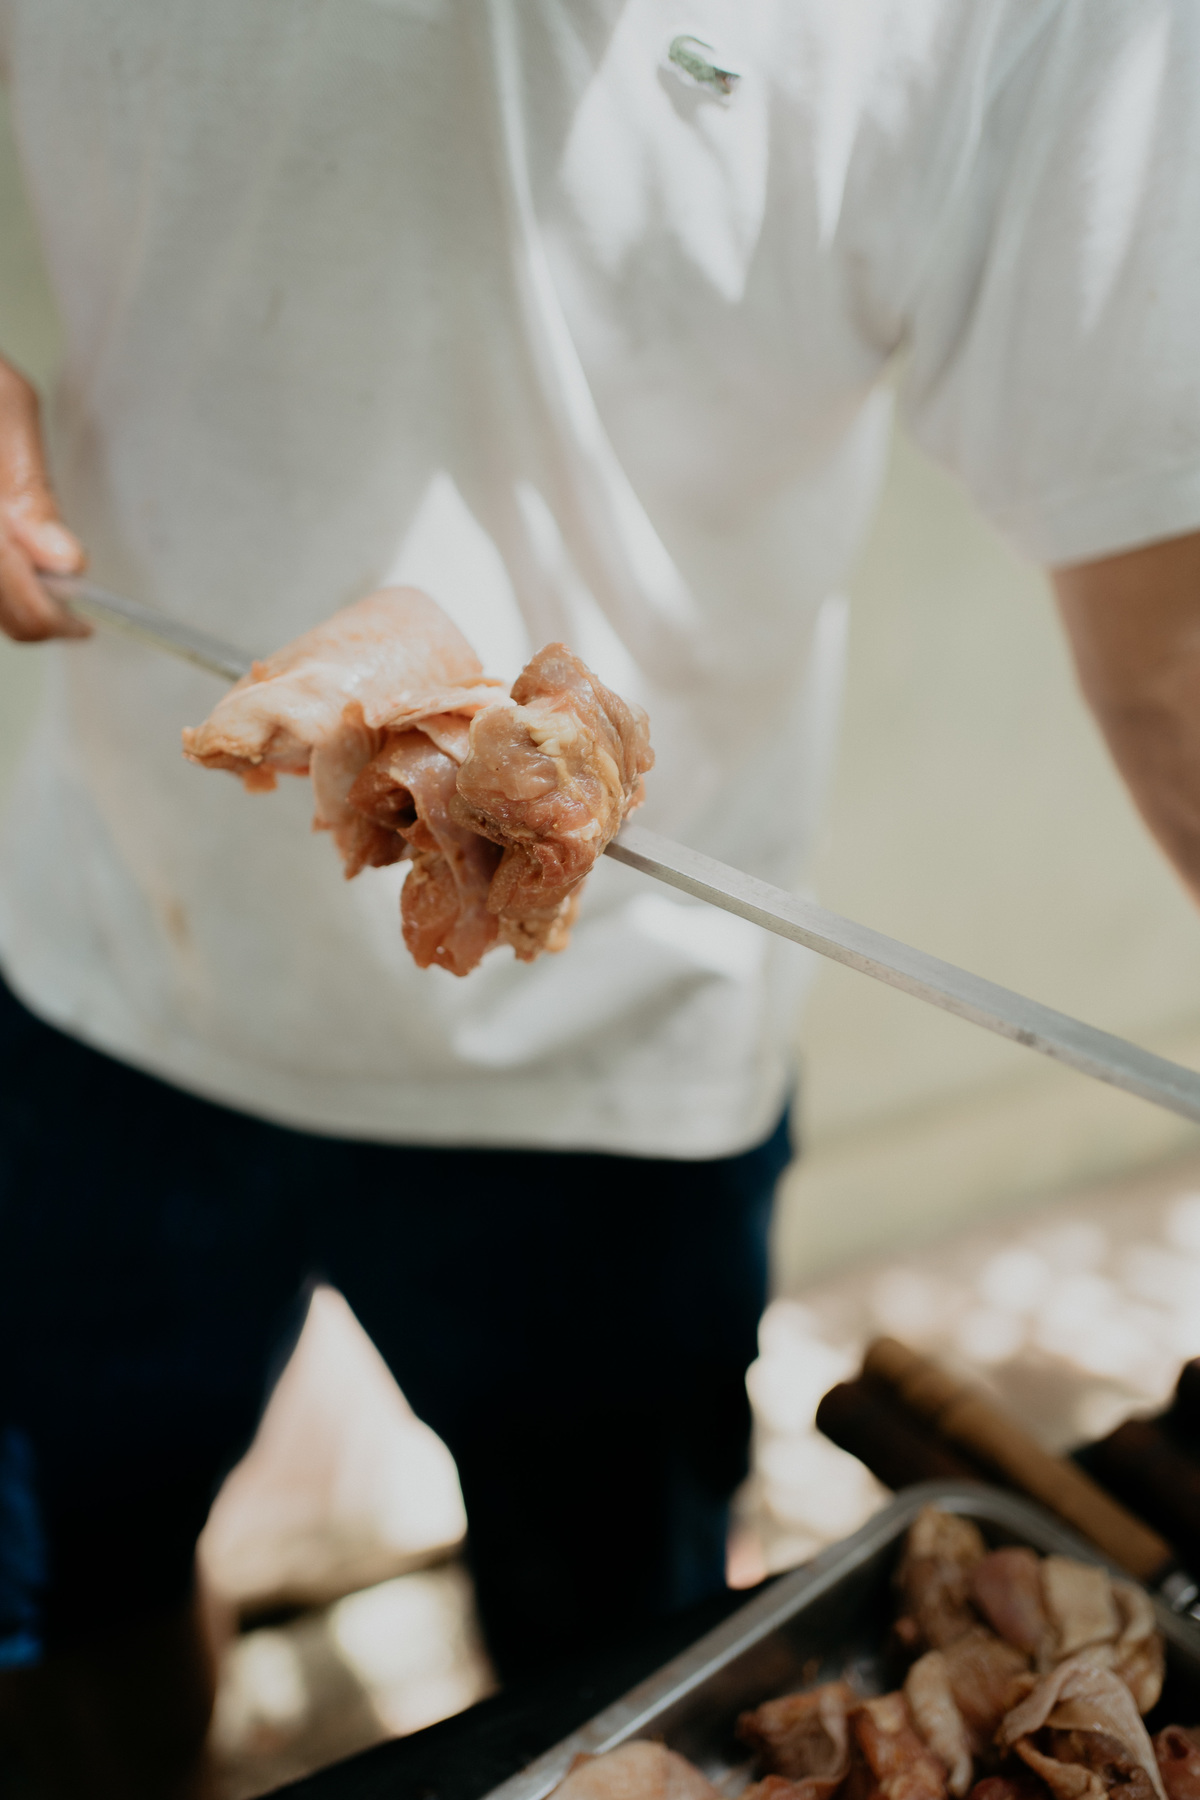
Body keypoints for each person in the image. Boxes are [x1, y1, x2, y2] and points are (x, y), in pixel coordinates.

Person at [1, 2, 1198, 1794]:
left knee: (614, 1646)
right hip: (106, 969)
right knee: (72, 1597)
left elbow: (1173, 649)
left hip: (623, 1072)